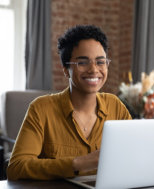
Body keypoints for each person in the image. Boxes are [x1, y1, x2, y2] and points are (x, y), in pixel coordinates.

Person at [7, 25, 132, 180]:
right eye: (83, 62)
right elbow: (16, 167)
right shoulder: (41, 109)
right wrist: (78, 163)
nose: (94, 70)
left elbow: (133, 156)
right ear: (66, 69)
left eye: (100, 62)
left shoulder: (116, 106)